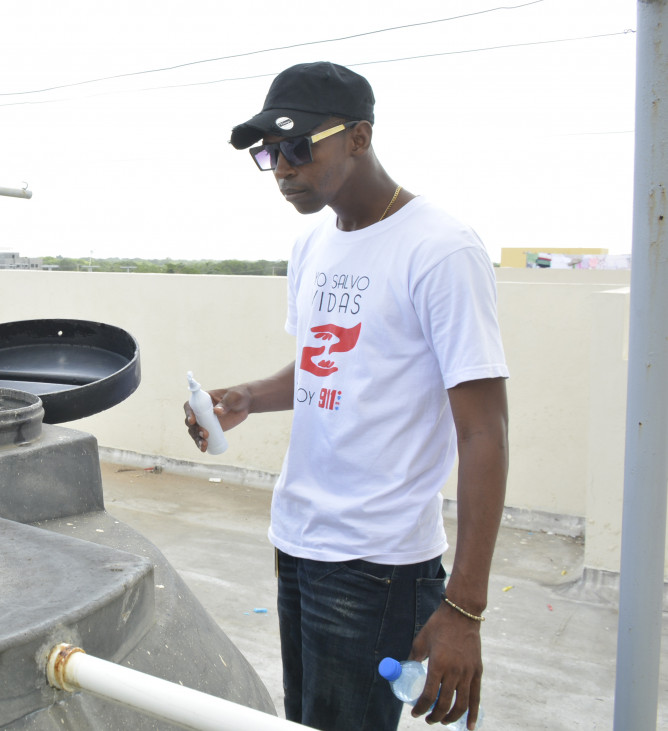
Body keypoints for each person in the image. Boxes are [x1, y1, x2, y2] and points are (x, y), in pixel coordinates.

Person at [185, 62, 508, 731]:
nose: (282, 167)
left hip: (377, 563)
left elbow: (484, 432)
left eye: (298, 146)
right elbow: (327, 366)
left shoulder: (441, 250)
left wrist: (464, 607)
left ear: (360, 137)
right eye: (268, 153)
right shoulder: (313, 245)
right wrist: (249, 396)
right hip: (299, 540)